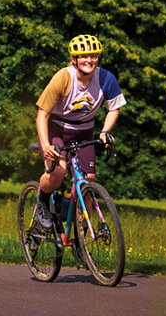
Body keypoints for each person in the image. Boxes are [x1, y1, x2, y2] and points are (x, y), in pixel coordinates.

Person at [33, 34, 125, 236]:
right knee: (57, 172)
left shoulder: (106, 78)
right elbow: (42, 115)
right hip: (56, 129)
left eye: (93, 56)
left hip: (83, 131)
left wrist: (104, 132)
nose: (89, 60)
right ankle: (43, 199)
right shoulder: (63, 78)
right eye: (83, 56)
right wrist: (46, 144)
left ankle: (80, 240)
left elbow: (114, 109)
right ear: (74, 59)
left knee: (88, 181)